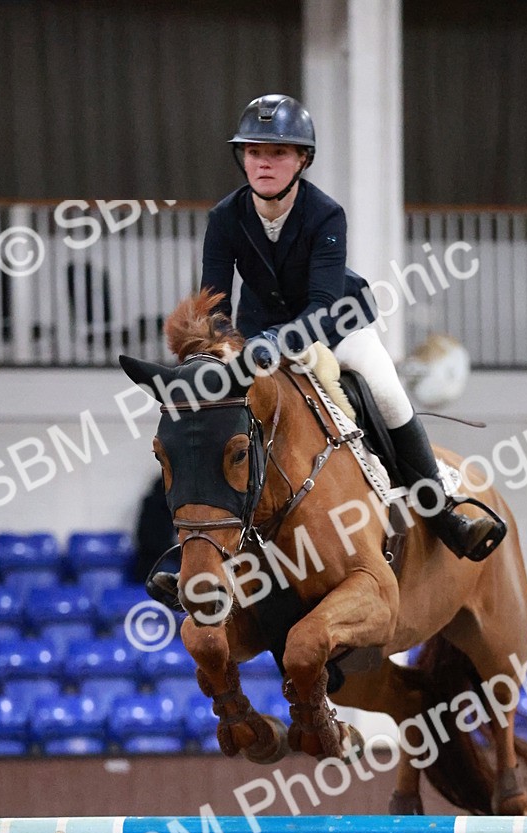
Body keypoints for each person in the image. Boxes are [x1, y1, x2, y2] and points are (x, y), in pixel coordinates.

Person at [148, 94, 506, 603]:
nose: (263, 163)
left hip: (335, 324)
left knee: (384, 389)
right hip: (256, 334)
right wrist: (218, 348)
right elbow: (216, 301)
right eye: (253, 152)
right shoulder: (226, 217)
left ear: (303, 160)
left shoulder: (324, 214)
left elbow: (320, 306)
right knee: (209, 417)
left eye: (278, 153)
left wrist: (275, 341)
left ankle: (440, 506)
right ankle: (190, 550)